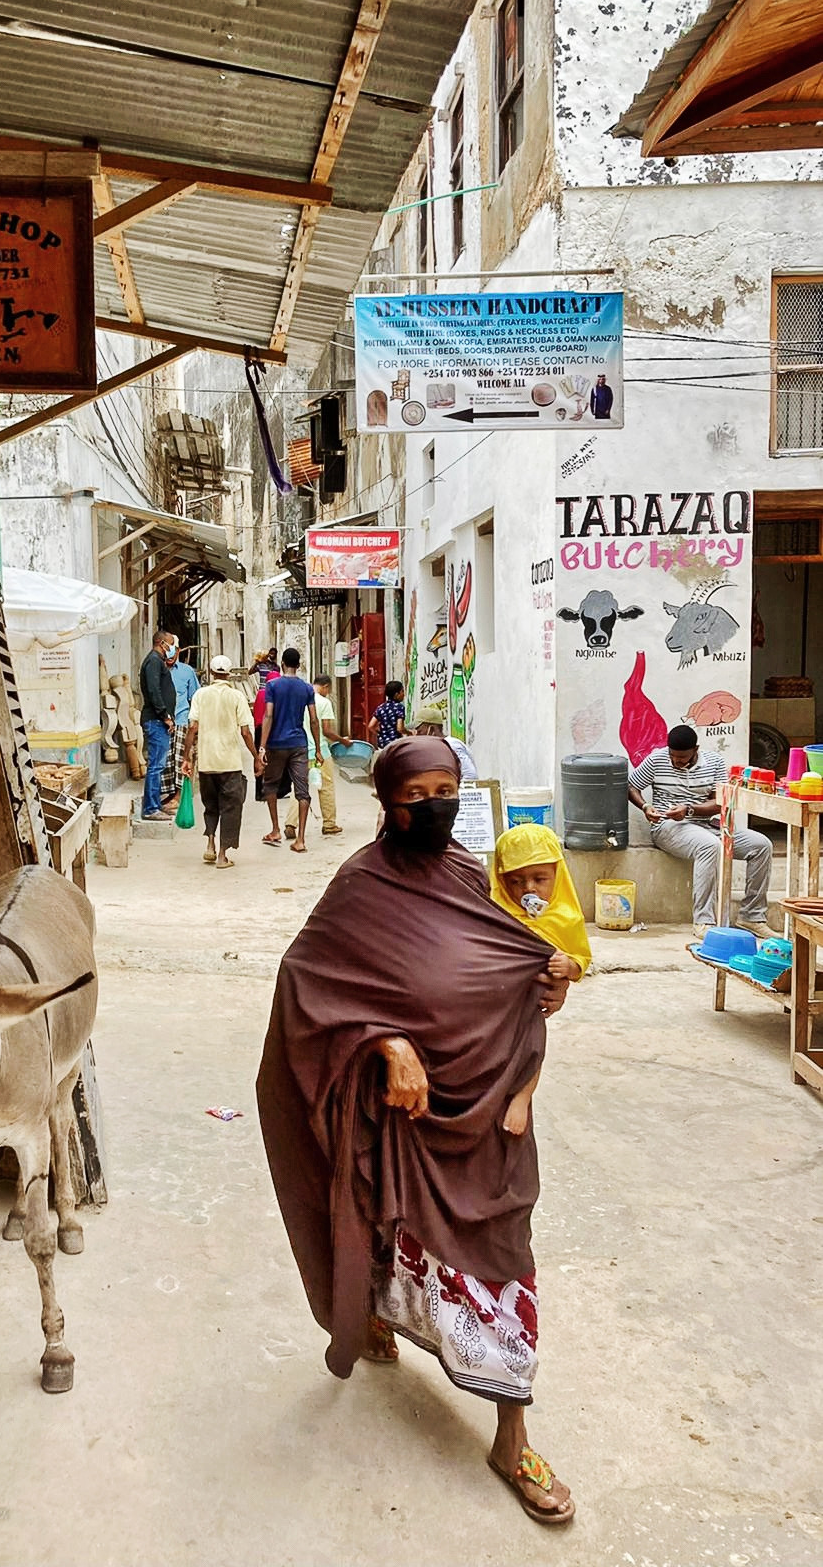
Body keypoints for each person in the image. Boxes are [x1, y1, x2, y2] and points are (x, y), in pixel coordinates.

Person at [257, 737, 575, 1526]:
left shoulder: (476, 876)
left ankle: (510, 1435)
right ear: (386, 802)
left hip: (490, 1110)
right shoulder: (359, 887)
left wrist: (548, 981)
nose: (434, 804)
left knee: (503, 1249)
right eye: (418, 792)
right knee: (385, 1224)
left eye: (448, 789)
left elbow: (522, 963)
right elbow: (305, 985)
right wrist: (386, 1043)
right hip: (404, 1120)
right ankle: (375, 1318)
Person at [490, 825, 591, 1136]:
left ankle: (522, 1097)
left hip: (531, 1008)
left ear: (556, 876)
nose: (528, 888)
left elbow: (581, 960)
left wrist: (568, 967)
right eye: (516, 881)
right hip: (495, 1005)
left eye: (539, 879)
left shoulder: (564, 917)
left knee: (532, 1048)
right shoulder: (493, 912)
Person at [628, 724, 774, 938]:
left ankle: (751, 917)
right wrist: (645, 807)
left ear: (695, 749)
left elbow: (720, 802)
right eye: (673, 756)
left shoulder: (713, 762)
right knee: (709, 845)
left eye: (682, 757)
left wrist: (689, 810)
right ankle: (704, 921)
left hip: (706, 824)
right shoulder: (656, 760)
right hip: (667, 827)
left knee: (761, 845)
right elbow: (632, 787)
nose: (676, 761)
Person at [181, 655, 257, 869]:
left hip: (206, 762)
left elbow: (192, 728)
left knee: (210, 805)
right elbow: (245, 732)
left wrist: (186, 758)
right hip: (230, 763)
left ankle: (210, 843)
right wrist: (255, 757)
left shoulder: (200, 695)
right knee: (231, 807)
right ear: (229, 673)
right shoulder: (236, 696)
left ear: (211, 672)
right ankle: (222, 856)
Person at [258, 647, 322, 854]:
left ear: (282, 664)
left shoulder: (273, 685)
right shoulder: (306, 688)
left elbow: (268, 716)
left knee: (270, 786)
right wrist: (318, 748)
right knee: (302, 791)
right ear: (299, 665)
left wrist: (262, 747)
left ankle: (275, 829)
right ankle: (301, 839)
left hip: (277, 743)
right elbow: (313, 719)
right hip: (299, 744)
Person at [294, 675, 349, 837]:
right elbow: (327, 731)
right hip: (320, 752)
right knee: (326, 787)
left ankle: (290, 823)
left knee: (298, 787)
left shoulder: (299, 700)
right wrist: (343, 741)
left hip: (300, 750)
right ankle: (329, 823)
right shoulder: (324, 703)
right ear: (325, 686)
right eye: (329, 689)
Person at [139, 630, 178, 821]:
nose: (172, 648)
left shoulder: (156, 661)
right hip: (155, 720)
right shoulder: (153, 661)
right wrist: (165, 716)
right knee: (155, 766)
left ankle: (155, 804)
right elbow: (154, 691)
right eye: (171, 644)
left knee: (158, 765)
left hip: (158, 720)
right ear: (162, 643)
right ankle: (150, 808)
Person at [160, 647, 200, 810]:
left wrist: (195, 724)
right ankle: (170, 793)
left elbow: (195, 697)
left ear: (178, 651)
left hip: (182, 720)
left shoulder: (186, 671)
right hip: (163, 720)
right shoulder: (159, 670)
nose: (170, 656)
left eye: (173, 651)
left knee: (180, 759)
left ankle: (178, 795)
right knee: (166, 760)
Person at [414, 704, 478, 780]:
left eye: (419, 731)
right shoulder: (434, 749)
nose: (417, 735)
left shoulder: (452, 745)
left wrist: (451, 790)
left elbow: (470, 776)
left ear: (431, 729)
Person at [367, 681, 407, 751]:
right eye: (402, 691)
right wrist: (410, 732)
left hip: (382, 745)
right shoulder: (399, 707)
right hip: (395, 744)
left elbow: (370, 726)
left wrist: (380, 733)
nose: (404, 694)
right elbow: (400, 728)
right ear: (396, 694)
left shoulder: (381, 707)